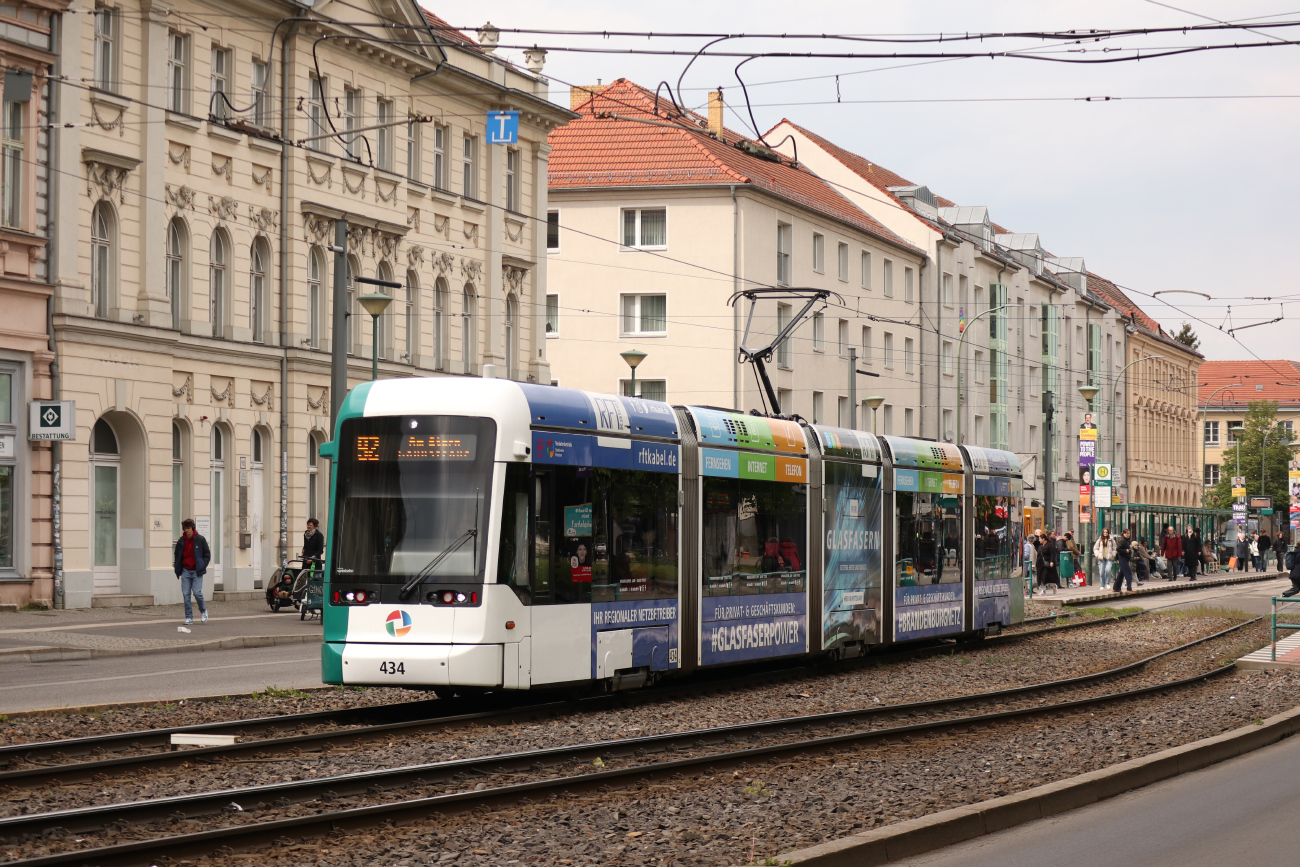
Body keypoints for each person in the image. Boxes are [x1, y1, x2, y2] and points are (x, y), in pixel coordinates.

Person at [172, 518, 211, 625]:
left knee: (197, 592)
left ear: (192, 528)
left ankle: (203, 611)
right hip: (185, 570)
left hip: (197, 571)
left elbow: (207, 554)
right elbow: (177, 555)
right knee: (186, 594)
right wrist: (177, 566)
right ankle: (189, 617)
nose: (187, 530)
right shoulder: (181, 541)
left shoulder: (200, 539)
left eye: (188, 528)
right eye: (185, 528)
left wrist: (202, 565)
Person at [1113, 528, 1134, 593]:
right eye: (1127, 533)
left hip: (1125, 559)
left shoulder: (1126, 540)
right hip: (1123, 559)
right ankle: (1129, 588)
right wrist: (1126, 551)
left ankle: (1116, 588)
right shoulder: (1123, 541)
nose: (1128, 535)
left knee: (1121, 574)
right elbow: (1118, 549)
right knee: (1128, 574)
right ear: (1124, 534)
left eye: (1129, 533)